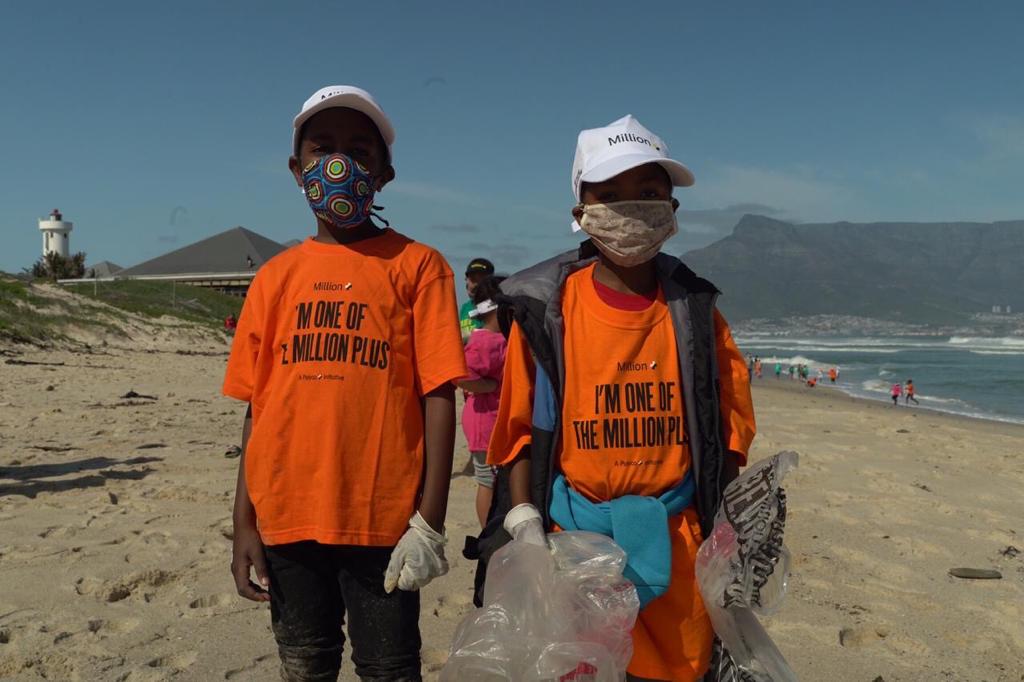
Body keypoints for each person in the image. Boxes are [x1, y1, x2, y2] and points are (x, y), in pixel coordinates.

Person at [482, 115, 756, 681]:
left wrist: (726, 534)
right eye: (610, 195)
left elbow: (730, 429)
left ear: (673, 210)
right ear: (581, 209)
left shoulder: (696, 314)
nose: (632, 209)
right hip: (574, 548)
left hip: (679, 543)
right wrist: (526, 527)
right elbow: (515, 432)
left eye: (649, 194)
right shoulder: (547, 315)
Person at [222, 85, 467, 681]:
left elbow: (438, 395)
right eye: (321, 148)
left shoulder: (419, 266)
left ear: (384, 174)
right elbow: (259, 408)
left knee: (389, 667)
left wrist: (430, 522)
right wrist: (244, 523)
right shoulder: (275, 277)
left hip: (382, 518)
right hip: (286, 513)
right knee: (305, 662)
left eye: (360, 151)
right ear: (296, 169)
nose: (339, 164)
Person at [453, 276, 508, 527]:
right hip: (485, 422)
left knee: (495, 478)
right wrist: (489, 386)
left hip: (493, 420)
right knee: (487, 479)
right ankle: (488, 529)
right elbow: (459, 373)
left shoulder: (499, 339)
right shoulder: (487, 341)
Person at [459, 257, 495, 342]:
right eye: (473, 279)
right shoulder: (465, 307)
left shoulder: (494, 306)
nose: (476, 285)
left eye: (481, 280)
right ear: (466, 280)